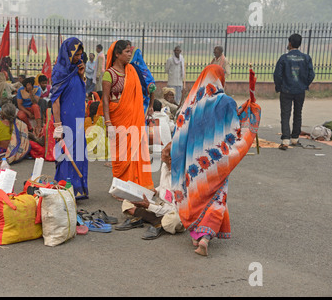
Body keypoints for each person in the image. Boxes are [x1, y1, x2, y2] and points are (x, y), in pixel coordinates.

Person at [171, 64, 261, 256]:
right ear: (220, 79)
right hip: (214, 162)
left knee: (195, 194)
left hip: (194, 162)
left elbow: (179, 130)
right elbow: (236, 129)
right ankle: (205, 238)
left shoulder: (192, 103)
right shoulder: (226, 102)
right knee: (216, 197)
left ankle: (198, 236)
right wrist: (249, 112)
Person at [102, 40, 154, 190]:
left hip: (134, 119)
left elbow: (143, 92)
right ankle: (121, 187)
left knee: (135, 152)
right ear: (117, 54)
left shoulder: (132, 71)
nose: (129, 54)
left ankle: (135, 185)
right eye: (126, 52)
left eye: (130, 51)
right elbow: (105, 100)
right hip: (117, 119)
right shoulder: (109, 74)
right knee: (121, 155)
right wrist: (108, 123)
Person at [115, 142, 185, 240]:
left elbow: (174, 208)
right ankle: (157, 221)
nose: (161, 151)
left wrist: (149, 206)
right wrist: (154, 191)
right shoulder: (165, 167)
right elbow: (162, 187)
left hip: (172, 209)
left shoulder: (182, 179)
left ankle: (149, 219)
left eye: (164, 151)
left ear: (170, 159)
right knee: (127, 202)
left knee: (173, 220)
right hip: (159, 203)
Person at [51, 37, 89, 199]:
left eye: (80, 54)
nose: (78, 58)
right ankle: (65, 190)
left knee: (80, 152)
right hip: (66, 120)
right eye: (75, 55)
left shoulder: (77, 70)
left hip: (78, 120)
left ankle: (78, 189)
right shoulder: (59, 72)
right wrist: (58, 127)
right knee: (67, 154)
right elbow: (56, 100)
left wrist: (81, 76)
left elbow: (80, 93)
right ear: (67, 53)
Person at [274, 33, 315, 150]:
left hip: (286, 90)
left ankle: (285, 140)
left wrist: (279, 87)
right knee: (298, 113)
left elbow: (277, 75)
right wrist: (304, 84)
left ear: (290, 43)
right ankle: (295, 139)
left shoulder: (284, 58)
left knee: (285, 114)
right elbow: (311, 74)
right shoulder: (306, 58)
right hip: (300, 90)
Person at [129, 45, 156, 115]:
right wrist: (151, 106)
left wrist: (151, 106)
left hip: (139, 103)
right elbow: (152, 88)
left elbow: (152, 88)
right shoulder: (145, 71)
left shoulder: (130, 69)